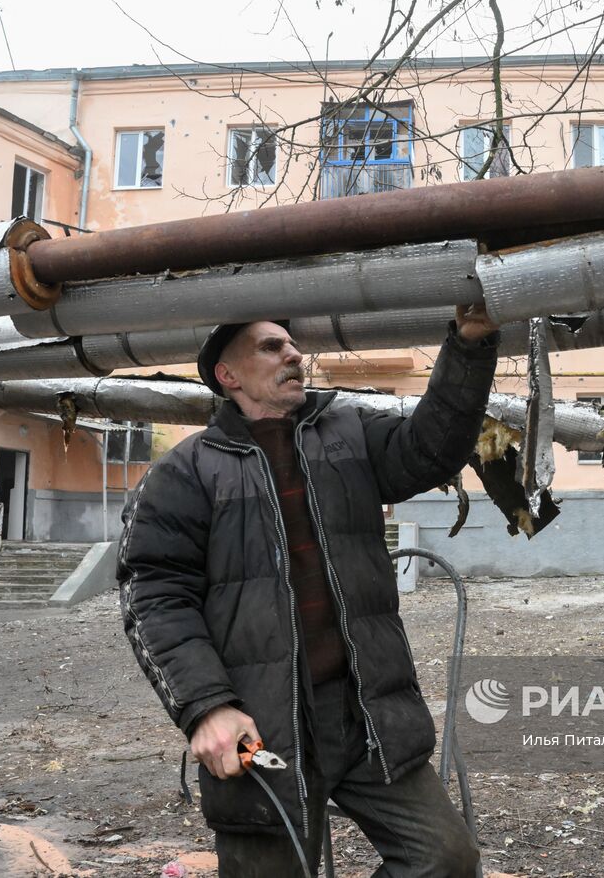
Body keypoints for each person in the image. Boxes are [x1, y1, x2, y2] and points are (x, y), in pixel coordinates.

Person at [118, 305, 499, 877]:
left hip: (365, 708)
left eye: (292, 346)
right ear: (228, 376)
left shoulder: (348, 433)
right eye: (271, 347)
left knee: (444, 858)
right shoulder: (185, 472)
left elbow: (432, 448)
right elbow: (154, 597)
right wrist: (206, 709)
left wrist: (468, 345)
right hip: (262, 720)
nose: (294, 354)